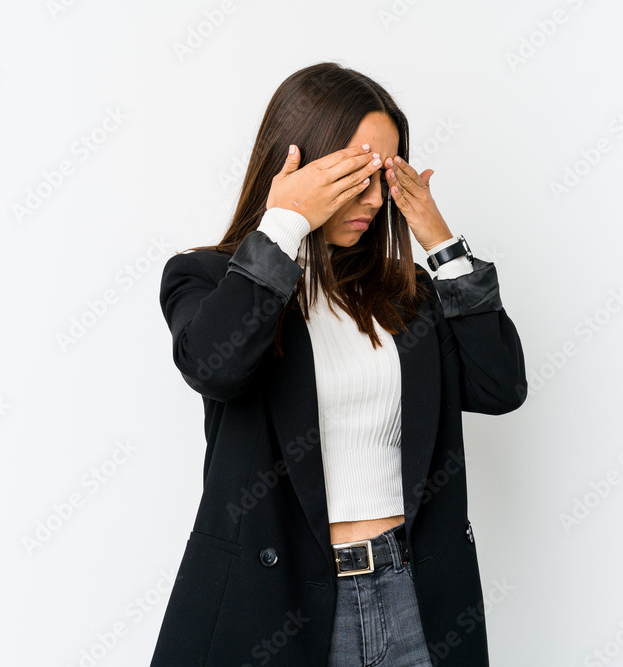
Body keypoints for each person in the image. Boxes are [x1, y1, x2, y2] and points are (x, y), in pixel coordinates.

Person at [151, 61, 527, 666]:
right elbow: (215, 369)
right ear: (300, 164)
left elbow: (499, 386)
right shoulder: (209, 279)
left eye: (385, 177)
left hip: (413, 597)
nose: (375, 199)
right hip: (276, 606)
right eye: (355, 174)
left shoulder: (404, 295)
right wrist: (284, 222)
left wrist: (441, 244)